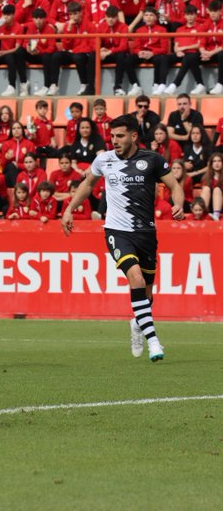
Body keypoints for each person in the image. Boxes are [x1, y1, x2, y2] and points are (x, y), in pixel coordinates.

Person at [62, 114, 185, 363]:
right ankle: (154, 341)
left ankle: (138, 323)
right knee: (136, 278)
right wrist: (69, 209)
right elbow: (88, 185)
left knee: (147, 292)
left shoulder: (152, 160)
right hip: (117, 231)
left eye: (119, 136)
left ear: (133, 136)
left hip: (146, 233)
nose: (114, 141)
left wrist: (178, 204)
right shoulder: (104, 160)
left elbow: (175, 186)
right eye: (112, 136)